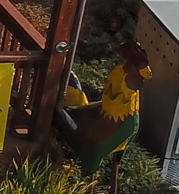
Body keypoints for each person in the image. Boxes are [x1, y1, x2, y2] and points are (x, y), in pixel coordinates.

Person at [64, 41, 152, 176]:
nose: (147, 72)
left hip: (109, 114)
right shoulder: (113, 122)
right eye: (137, 66)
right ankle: (89, 186)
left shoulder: (128, 113)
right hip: (79, 131)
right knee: (92, 162)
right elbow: (91, 148)